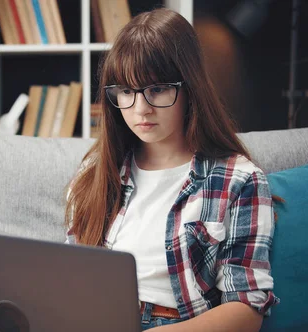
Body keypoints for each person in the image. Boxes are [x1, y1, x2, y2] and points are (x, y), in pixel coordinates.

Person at [64, 7, 279, 332]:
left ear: (189, 88)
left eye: (157, 89)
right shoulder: (94, 174)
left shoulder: (239, 180)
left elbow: (247, 310)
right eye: (126, 91)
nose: (141, 109)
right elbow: (68, 280)